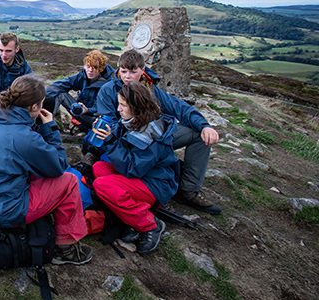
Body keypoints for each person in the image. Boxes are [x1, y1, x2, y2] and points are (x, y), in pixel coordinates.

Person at [0, 75, 93, 265]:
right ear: (34, 107)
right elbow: (58, 166)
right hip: (3, 210)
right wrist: (50, 128)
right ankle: (65, 248)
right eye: (40, 104)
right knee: (69, 182)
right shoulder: (23, 137)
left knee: (36, 174)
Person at [95, 49, 221, 214]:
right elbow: (108, 123)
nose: (127, 76)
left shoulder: (151, 89)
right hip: (128, 142)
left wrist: (204, 125)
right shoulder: (109, 90)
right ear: (118, 70)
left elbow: (179, 107)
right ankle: (153, 182)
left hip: (153, 137)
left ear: (143, 70)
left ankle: (188, 190)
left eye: (133, 72)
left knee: (198, 134)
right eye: (124, 71)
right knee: (119, 164)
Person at [91, 82, 179, 255]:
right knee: (99, 168)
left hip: (156, 184)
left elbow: (133, 168)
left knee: (102, 185)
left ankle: (150, 225)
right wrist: (106, 131)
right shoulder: (133, 121)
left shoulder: (152, 134)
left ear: (136, 106)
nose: (118, 109)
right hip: (142, 177)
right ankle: (129, 217)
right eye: (119, 103)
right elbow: (122, 143)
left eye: (123, 105)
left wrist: (109, 142)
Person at [45, 49, 114, 131]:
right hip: (79, 110)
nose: (90, 70)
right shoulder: (83, 76)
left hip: (95, 118)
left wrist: (88, 110)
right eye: (88, 67)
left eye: (95, 67)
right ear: (84, 66)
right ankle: (47, 124)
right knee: (58, 93)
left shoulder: (108, 84)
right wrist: (42, 95)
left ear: (101, 69)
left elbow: (103, 108)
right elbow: (63, 84)